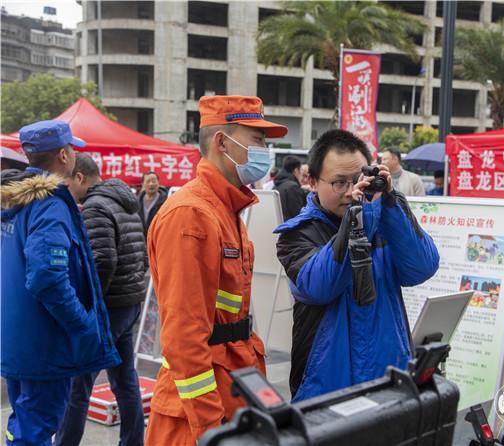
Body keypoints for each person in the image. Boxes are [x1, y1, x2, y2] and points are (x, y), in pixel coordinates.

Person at [144, 95, 286, 445]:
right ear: (223, 142)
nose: (264, 151)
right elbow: (184, 339)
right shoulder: (192, 215)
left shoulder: (224, 209)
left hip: (232, 392)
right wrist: (211, 430)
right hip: (196, 417)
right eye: (257, 139)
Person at [274, 129, 439, 401]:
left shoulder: (384, 219)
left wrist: (390, 202)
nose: (351, 191)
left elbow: (422, 267)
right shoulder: (297, 234)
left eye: (358, 180)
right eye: (339, 183)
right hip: (325, 387)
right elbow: (320, 286)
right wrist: (358, 221)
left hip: (390, 379)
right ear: (312, 182)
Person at [0, 120, 120, 445]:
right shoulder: (50, 206)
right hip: (45, 346)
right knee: (35, 430)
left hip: (18, 339)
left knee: (24, 423)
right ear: (65, 156)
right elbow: (46, 276)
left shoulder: (14, 203)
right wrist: (82, 324)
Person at [56, 153, 147, 446]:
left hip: (110, 306)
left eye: (67, 183)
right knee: (124, 380)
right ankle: (132, 441)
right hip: (130, 300)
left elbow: (103, 261)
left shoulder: (95, 207)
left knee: (78, 383)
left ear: (79, 177)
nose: (68, 192)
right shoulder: (127, 202)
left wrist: (89, 305)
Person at [274, 155, 308, 221]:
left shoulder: (277, 184)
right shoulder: (293, 187)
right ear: (296, 170)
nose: (301, 174)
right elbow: (298, 214)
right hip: (290, 228)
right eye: (300, 170)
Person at [138, 171, 168, 236]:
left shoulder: (166, 201)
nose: (151, 184)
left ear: (158, 183)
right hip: (141, 239)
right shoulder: (137, 201)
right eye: (148, 181)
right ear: (142, 184)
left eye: (154, 181)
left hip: (158, 236)